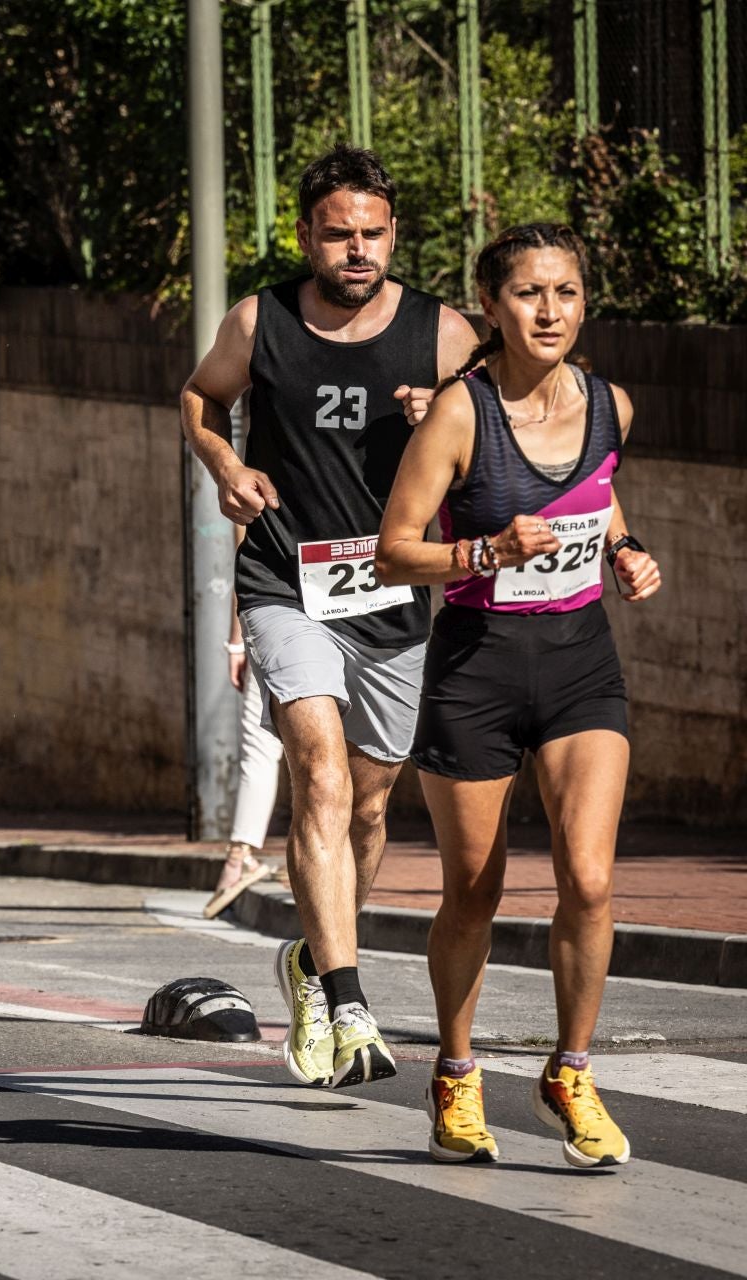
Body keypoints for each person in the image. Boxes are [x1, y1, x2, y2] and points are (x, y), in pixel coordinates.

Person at [178, 146, 474, 1089]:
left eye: (373, 234)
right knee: (316, 770)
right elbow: (199, 398)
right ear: (306, 235)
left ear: (394, 236)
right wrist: (226, 466)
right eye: (338, 233)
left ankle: (310, 955)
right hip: (284, 579)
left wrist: (448, 421)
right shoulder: (260, 319)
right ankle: (346, 998)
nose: (357, 250)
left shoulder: (443, 333)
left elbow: (506, 433)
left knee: (373, 803)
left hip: (395, 593)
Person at [375, 223, 662, 1169]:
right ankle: (456, 1074)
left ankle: (570, 1070)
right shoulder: (459, 415)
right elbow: (394, 547)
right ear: (490, 308)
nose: (551, 312)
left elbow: (599, 487)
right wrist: (487, 552)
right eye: (530, 295)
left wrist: (622, 549)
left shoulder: (611, 402)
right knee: (475, 891)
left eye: (567, 293)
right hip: (477, 670)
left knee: (588, 878)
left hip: (582, 663)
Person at [205, 591, 283, 919]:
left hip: (270, 623)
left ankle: (238, 857)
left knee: (260, 747)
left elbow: (245, 560)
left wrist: (236, 644)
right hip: (340, 626)